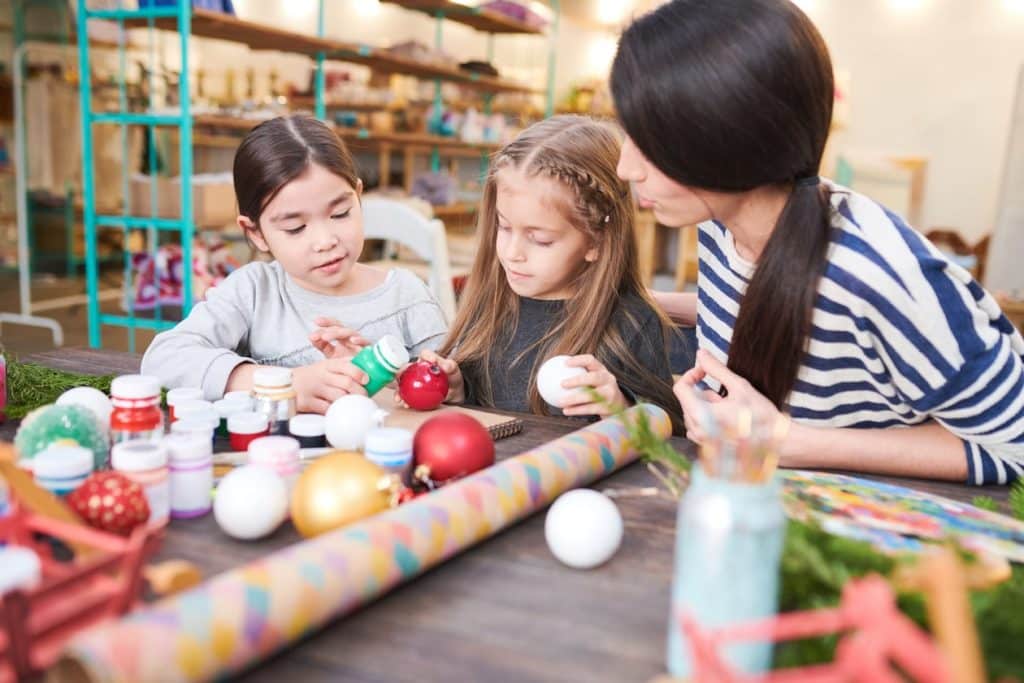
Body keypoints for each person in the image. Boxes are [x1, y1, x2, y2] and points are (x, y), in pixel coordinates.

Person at [612, 0, 1024, 483]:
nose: (625, 167)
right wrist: (643, 302)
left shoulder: (880, 275)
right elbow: (778, 308)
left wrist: (783, 440)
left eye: (649, 142)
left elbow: (1015, 446)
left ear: (728, 143)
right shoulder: (720, 221)